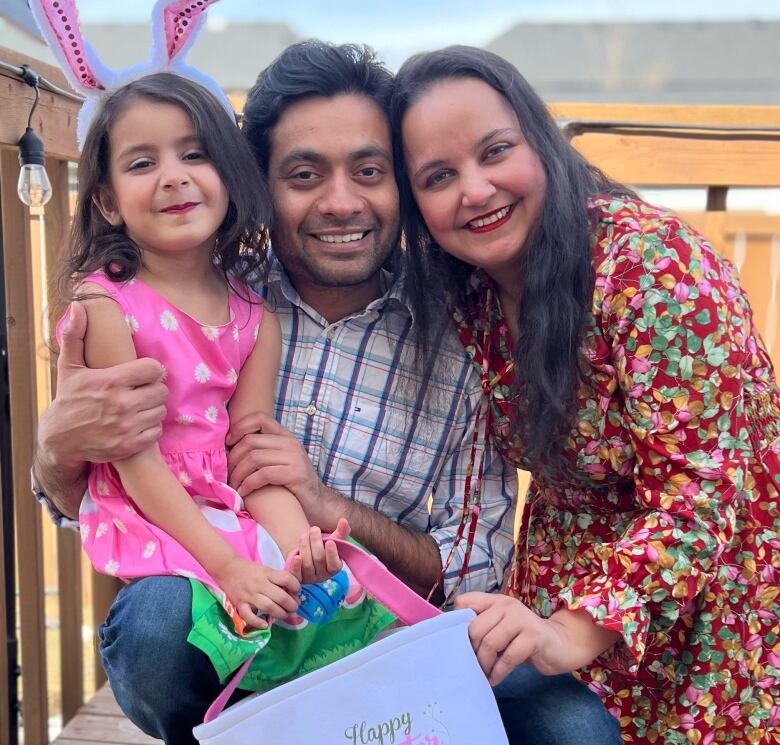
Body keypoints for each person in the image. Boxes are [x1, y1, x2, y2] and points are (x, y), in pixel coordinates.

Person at [34, 42, 524, 744]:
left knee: (568, 717)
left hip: (380, 642)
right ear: (258, 182)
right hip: (232, 632)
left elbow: (476, 561)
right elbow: (102, 482)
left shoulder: (463, 334)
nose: (340, 201)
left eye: (369, 171)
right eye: (304, 173)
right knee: (155, 627)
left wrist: (324, 514)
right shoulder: (195, 286)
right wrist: (55, 448)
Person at [392, 45, 780, 744]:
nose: (475, 190)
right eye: (439, 175)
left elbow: (707, 494)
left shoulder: (651, 265)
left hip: (712, 610)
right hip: (554, 605)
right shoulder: (469, 292)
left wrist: (573, 627)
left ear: (540, 141)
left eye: (495, 151)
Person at [56, 67, 394, 685]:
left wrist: (299, 547)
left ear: (231, 179)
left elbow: (251, 455)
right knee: (192, 618)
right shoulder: (107, 307)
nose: (174, 176)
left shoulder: (253, 317)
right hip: (158, 507)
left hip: (229, 505)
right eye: (141, 164)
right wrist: (226, 566)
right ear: (106, 200)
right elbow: (135, 461)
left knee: (319, 590)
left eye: (194, 154)